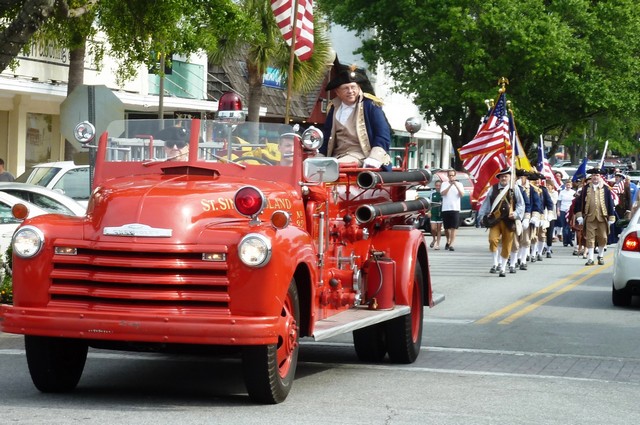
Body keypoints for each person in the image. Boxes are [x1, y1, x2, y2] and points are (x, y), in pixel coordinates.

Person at [321, 64, 392, 170]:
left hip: (362, 155)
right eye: (345, 88)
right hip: (336, 156)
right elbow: (326, 137)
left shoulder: (370, 105)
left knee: (332, 167)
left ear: (359, 88)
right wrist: (319, 155)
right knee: (308, 165)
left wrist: (375, 157)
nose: (350, 91)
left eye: (353, 87)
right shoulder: (333, 108)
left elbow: (383, 134)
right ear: (337, 92)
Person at [478, 167, 525, 277]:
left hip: (509, 221)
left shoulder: (514, 188)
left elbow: (521, 204)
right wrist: (482, 215)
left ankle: (503, 267)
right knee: (492, 240)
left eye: (506, 176)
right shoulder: (493, 188)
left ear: (510, 177)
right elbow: (486, 203)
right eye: (502, 176)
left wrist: (516, 214)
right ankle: (495, 263)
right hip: (495, 220)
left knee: (507, 244)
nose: (504, 178)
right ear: (499, 178)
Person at [574, 167, 616, 266]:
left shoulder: (605, 189)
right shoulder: (585, 188)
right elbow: (578, 203)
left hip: (602, 217)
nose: (595, 177)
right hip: (589, 217)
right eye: (593, 175)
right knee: (590, 238)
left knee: (603, 237)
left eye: (597, 175)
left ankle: (600, 256)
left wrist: (611, 217)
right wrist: (579, 215)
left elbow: (610, 203)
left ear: (600, 176)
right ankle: (590, 258)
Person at [440, 169, 465, 251]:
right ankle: (448, 240)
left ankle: (451, 244)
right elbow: (443, 193)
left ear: (455, 176)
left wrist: (456, 185)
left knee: (454, 227)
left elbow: (462, 195)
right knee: (446, 228)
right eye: (449, 175)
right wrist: (450, 185)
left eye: (452, 175)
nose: (451, 177)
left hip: (455, 208)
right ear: (447, 176)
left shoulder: (460, 184)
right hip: (446, 208)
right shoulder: (444, 184)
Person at [557, 179, 576, 247]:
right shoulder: (562, 192)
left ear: (571, 185)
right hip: (563, 210)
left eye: (569, 185)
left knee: (570, 226)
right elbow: (559, 202)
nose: (568, 186)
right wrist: (558, 210)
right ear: (565, 185)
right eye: (567, 185)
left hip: (570, 211)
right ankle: (565, 241)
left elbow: (575, 202)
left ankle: (570, 240)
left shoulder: (573, 192)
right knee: (564, 226)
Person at [429, 180, 443, 250]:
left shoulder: (443, 193)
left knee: (439, 229)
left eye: (439, 185)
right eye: (436, 185)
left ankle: (437, 244)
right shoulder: (432, 193)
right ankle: (434, 239)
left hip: (440, 213)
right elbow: (430, 204)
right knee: (433, 228)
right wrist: (429, 211)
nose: (438, 187)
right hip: (433, 213)